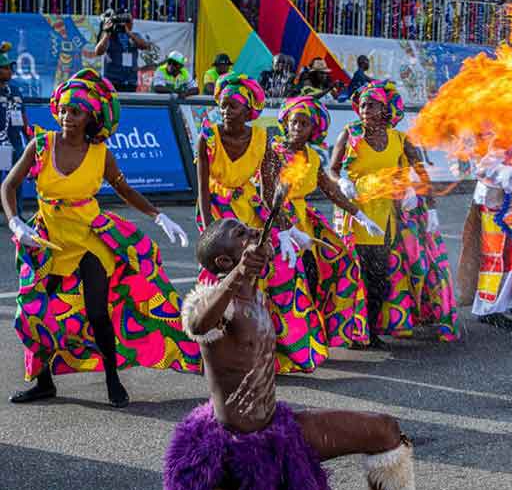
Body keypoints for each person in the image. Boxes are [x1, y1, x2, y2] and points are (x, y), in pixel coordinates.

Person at [34, 218, 417, 490]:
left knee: (384, 431)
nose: (252, 232)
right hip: (227, 451)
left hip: (277, 430)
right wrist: (236, 276)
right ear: (225, 261)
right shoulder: (215, 302)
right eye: (241, 235)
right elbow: (198, 323)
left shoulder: (257, 291)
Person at [2, 69, 195, 407]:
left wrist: (159, 216)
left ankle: (112, 379)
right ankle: (43, 382)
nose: (66, 116)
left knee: (97, 312)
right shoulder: (42, 144)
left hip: (91, 236)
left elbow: (124, 189)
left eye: (75, 111)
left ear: (91, 115)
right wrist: (16, 221)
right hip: (47, 237)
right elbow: (9, 185)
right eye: (63, 109)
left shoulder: (100, 153)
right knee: (34, 311)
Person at [196, 73, 324, 373]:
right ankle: (219, 351)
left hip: (251, 212)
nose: (227, 111)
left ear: (249, 110)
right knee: (220, 282)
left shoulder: (263, 139)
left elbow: (269, 192)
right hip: (218, 213)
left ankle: (274, 348)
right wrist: (208, 230)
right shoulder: (208, 137)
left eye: (234, 106)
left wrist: (286, 229)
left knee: (271, 275)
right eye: (224, 105)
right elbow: (201, 190)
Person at [329, 80, 459, 347]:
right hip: (354, 214)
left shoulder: (400, 140)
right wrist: (341, 180)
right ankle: (356, 332)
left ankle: (372, 329)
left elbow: (421, 173)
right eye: (362, 105)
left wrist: (429, 206)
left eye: (372, 105)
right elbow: (331, 169)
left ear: (384, 109)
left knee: (377, 277)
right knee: (355, 274)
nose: (365, 110)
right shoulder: (349, 133)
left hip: (386, 215)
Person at [271, 96, 385, 349]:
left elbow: (330, 191)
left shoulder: (312, 157)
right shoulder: (276, 152)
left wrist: (360, 216)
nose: (298, 128)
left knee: (313, 278)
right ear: (286, 124)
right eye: (294, 122)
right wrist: (281, 228)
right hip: (277, 223)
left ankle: (305, 337)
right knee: (282, 282)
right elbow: (269, 193)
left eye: (304, 124)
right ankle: (277, 341)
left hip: (303, 226)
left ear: (314, 129)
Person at [461, 150, 512, 330]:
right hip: (495, 203)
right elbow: (483, 170)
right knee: (496, 257)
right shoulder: (500, 133)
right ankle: (488, 309)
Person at [94, 10, 152, 93]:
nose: (130, 23)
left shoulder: (135, 35)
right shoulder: (109, 36)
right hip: (112, 82)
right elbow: (98, 52)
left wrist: (129, 33)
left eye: (129, 21)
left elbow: (145, 46)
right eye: (128, 21)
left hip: (130, 82)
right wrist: (107, 33)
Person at [0, 52, 27, 217]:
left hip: (15, 143)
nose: (10, 71)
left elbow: (23, 117)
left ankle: (16, 215)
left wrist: (30, 136)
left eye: (10, 68)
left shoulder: (15, 90)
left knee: (16, 180)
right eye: (5, 68)